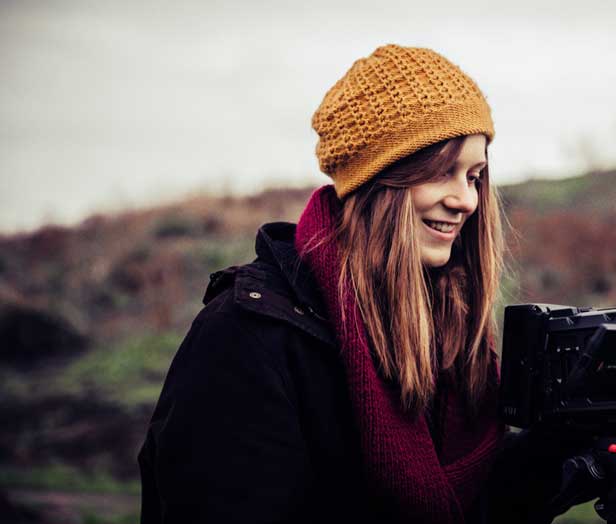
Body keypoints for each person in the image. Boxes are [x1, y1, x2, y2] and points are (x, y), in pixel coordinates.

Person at [138, 44, 581, 524]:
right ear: (377, 181)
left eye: (474, 176)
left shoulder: (447, 324)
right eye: (441, 173)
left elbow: (471, 502)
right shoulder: (248, 339)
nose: (467, 201)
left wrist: (562, 449)